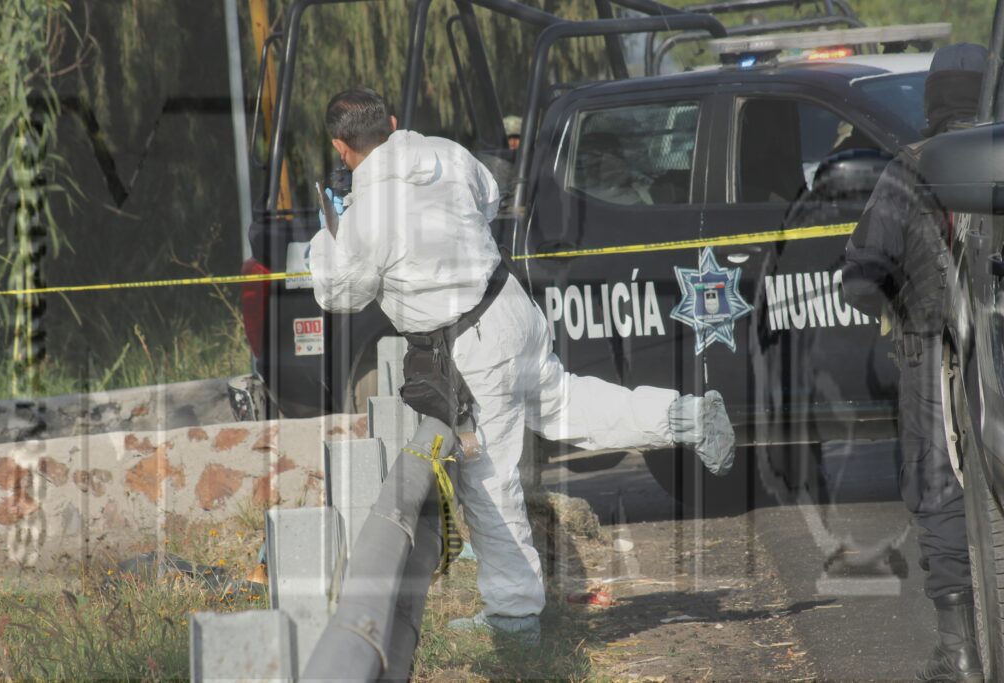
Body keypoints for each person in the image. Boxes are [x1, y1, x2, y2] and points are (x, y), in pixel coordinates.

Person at [308, 87, 736, 643]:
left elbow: (341, 294)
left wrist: (330, 232)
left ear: (340, 148)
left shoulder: (366, 213)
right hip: (507, 304)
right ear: (391, 122)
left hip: (470, 343)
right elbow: (488, 200)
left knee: (488, 481)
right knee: (567, 402)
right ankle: (683, 416)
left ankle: (513, 618)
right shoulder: (445, 153)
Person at [842, 44, 988, 682]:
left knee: (939, 489)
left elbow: (859, 277)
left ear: (933, 99)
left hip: (934, 353)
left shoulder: (908, 170)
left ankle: (959, 652)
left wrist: (897, 298)